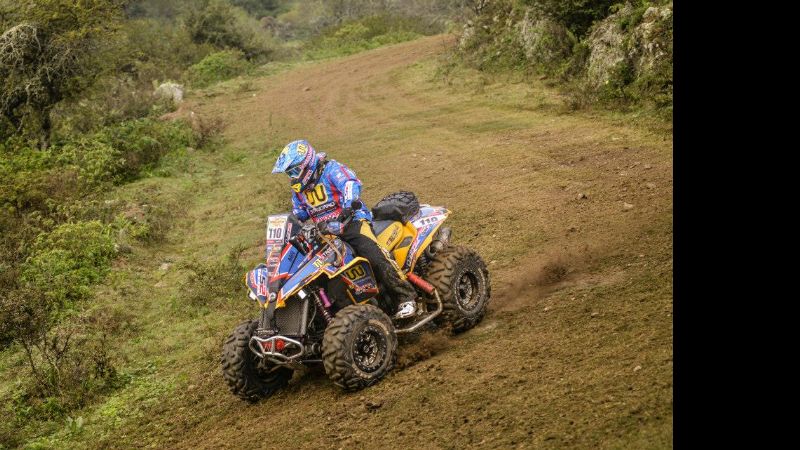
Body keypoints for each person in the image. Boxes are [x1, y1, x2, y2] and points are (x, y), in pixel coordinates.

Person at [271, 139, 418, 319]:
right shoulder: (299, 191)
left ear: (307, 164)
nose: (292, 177)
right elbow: (299, 213)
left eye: (294, 171)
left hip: (352, 223)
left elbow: (350, 184)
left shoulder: (332, 170)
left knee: (372, 253)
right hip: (325, 234)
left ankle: (406, 297)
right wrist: (291, 224)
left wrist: (348, 207)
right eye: (289, 173)